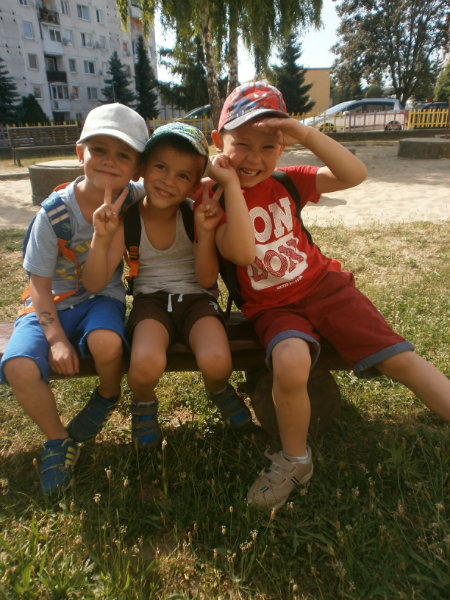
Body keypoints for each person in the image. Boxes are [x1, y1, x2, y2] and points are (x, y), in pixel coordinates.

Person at [209, 80, 450, 510]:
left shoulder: (288, 180)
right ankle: (295, 460)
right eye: (241, 144)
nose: (254, 158)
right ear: (218, 141)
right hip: (273, 308)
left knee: (399, 359)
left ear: (283, 148)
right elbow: (242, 254)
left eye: (268, 147)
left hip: (326, 288)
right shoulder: (213, 198)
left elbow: (355, 174)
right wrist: (228, 185)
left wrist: (304, 133)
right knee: (290, 362)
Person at [0, 103, 148, 495]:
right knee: (17, 366)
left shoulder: (133, 197)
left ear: (137, 168)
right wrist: (55, 339)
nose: (109, 161)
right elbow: (38, 285)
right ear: (80, 153)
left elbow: (176, 183)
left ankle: (108, 394)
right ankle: (57, 438)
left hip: (102, 298)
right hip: (50, 303)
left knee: (107, 342)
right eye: (99, 149)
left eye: (123, 155)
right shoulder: (54, 214)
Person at [82, 122, 255, 449]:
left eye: (183, 175)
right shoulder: (128, 221)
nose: (168, 180)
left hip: (198, 299)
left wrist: (205, 234)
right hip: (151, 302)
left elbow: (207, 280)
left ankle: (218, 388)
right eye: (160, 167)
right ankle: (144, 403)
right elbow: (93, 282)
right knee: (144, 363)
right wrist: (100, 239)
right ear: (143, 168)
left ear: (194, 185)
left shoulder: (194, 215)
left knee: (218, 360)